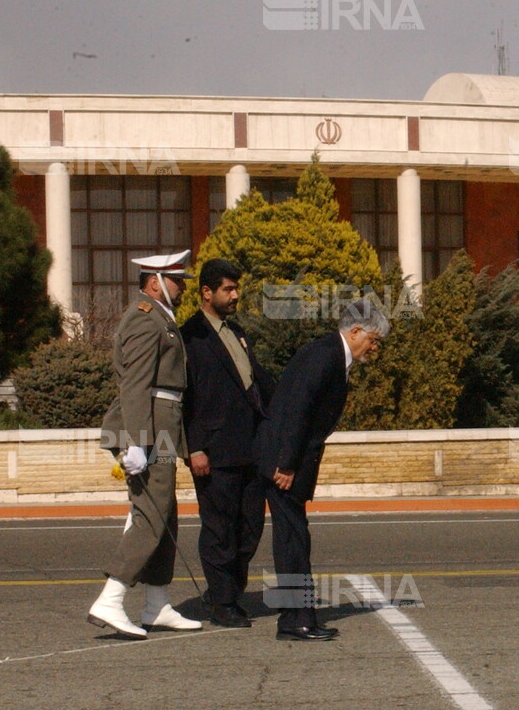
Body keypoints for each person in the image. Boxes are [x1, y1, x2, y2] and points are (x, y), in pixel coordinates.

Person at [255, 298, 390, 641]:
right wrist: (286, 464)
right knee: (291, 540)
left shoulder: (333, 356)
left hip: (294, 459)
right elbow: (297, 410)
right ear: (356, 331)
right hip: (285, 462)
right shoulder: (325, 355)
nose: (374, 347)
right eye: (373, 339)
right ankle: (293, 621)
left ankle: (303, 615)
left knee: (296, 538)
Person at [87, 250, 202, 639]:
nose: (182, 286)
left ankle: (156, 603)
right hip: (150, 428)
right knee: (151, 514)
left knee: (164, 512)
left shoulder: (161, 319)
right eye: (176, 280)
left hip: (162, 426)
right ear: (154, 281)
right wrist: (135, 443)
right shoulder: (143, 317)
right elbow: (134, 385)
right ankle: (111, 598)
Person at [181, 258, 275, 629]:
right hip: (214, 451)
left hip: (250, 448)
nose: (235, 295)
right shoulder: (190, 337)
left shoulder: (236, 331)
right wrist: (194, 447)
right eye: (228, 289)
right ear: (207, 292)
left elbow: (256, 383)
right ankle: (222, 601)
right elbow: (184, 397)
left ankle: (229, 590)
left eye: (237, 288)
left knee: (249, 527)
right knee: (220, 528)